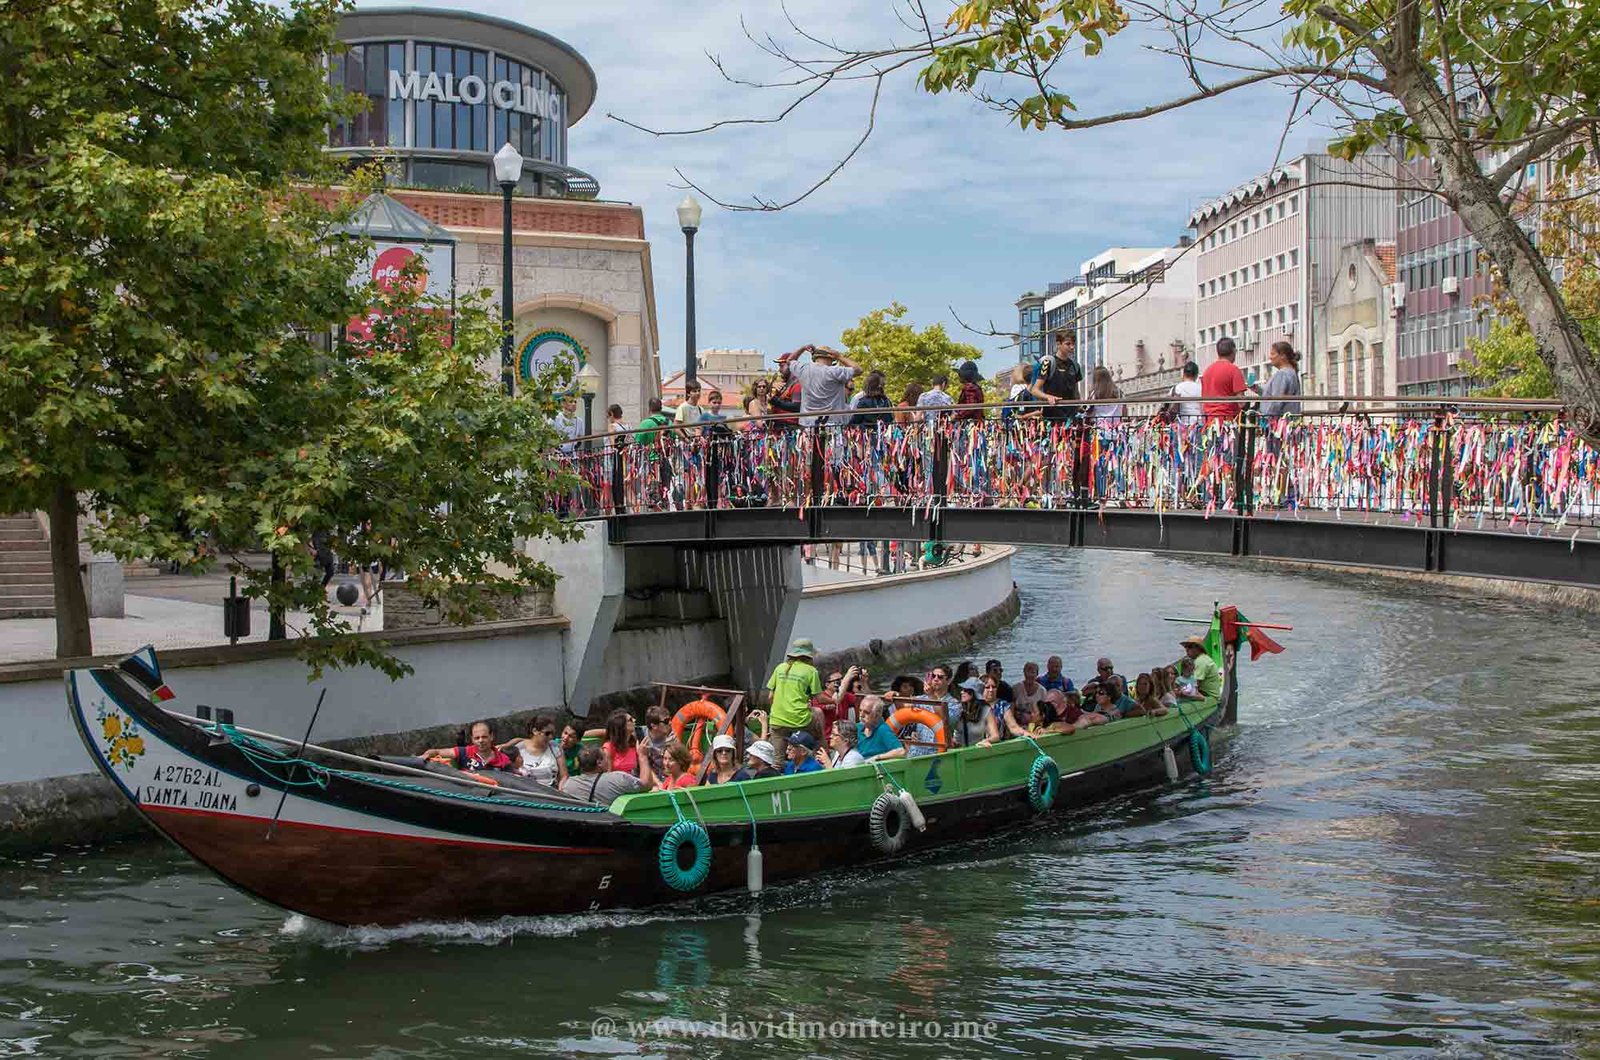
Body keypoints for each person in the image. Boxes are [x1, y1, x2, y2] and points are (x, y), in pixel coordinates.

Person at [764, 637, 824, 762]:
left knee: (777, 760)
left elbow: (770, 697)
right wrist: (834, 700)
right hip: (800, 720)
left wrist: (780, 710)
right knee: (818, 734)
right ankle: (820, 759)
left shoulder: (780, 668)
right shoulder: (811, 671)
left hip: (777, 719)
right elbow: (820, 698)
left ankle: (778, 772)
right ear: (809, 656)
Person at [790, 345, 862, 425]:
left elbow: (789, 360)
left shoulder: (803, 369)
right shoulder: (835, 372)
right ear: (831, 358)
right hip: (833, 424)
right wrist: (840, 357)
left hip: (808, 424)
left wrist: (803, 348)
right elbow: (858, 370)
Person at [561, 745, 649, 804]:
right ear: (599, 762)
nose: (608, 760)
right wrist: (643, 756)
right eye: (605, 757)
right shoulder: (618, 779)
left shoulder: (568, 785)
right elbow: (646, 785)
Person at [420, 719, 515, 773]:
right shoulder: (464, 752)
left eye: (484, 737)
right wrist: (425, 756)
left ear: (491, 736)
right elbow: (437, 752)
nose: (481, 741)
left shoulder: (504, 761)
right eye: (477, 738)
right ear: (472, 739)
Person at [1031, 330, 1083, 422]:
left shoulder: (1075, 365)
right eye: (1068, 344)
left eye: (1073, 344)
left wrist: (1079, 406)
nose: (1072, 347)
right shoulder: (1048, 363)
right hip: (1052, 416)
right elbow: (1035, 390)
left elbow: (1076, 391)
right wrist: (1048, 397)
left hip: (1071, 417)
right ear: (1058, 344)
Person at [1201, 336, 1256, 421]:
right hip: (1228, 421)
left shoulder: (1207, 371)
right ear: (1233, 351)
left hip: (1210, 421)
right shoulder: (1234, 370)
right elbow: (1241, 402)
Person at [505, 713, 564, 786]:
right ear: (535, 731)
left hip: (551, 793)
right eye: (547, 733)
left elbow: (564, 776)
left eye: (553, 733)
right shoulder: (519, 748)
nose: (551, 737)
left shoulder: (554, 747)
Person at [1258, 341, 1303, 429]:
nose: (1270, 357)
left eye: (1273, 354)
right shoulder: (1292, 372)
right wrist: (1257, 389)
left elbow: (1276, 400)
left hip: (1279, 424)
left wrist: (1266, 418)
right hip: (1289, 422)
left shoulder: (1282, 374)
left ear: (1282, 355)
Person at [855, 695, 906, 761]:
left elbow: (901, 752)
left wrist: (877, 757)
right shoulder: (858, 727)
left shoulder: (883, 730)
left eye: (866, 712)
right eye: (860, 711)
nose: (861, 715)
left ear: (877, 715)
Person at [1176, 635, 1223, 700]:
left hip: (1208, 696)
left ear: (1198, 648)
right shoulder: (1203, 658)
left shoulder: (1201, 661)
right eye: (1185, 647)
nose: (1186, 649)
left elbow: (1195, 684)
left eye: (1189, 647)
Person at [639, 705, 679, 780]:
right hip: (648, 780)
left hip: (667, 778)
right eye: (666, 721)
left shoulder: (672, 736)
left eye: (670, 719)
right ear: (654, 726)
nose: (670, 723)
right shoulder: (641, 736)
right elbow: (644, 766)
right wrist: (658, 784)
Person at [598, 709, 640, 776]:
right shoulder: (609, 747)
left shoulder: (634, 744)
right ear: (621, 725)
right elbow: (607, 775)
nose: (634, 720)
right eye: (630, 720)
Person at [924, 664, 961, 729]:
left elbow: (946, 721)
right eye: (933, 676)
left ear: (948, 681)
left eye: (940, 677)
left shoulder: (955, 704)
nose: (935, 679)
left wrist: (932, 696)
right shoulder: (920, 699)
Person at [771, 356, 803, 428]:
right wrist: (771, 386)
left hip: (790, 426)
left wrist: (776, 402)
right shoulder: (785, 383)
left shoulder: (797, 385)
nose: (779, 370)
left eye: (782, 366)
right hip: (779, 424)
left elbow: (797, 407)